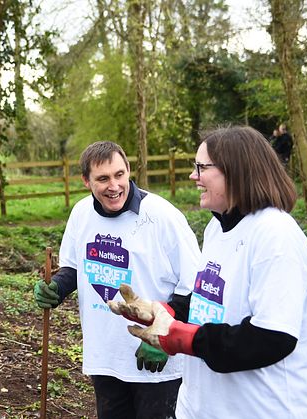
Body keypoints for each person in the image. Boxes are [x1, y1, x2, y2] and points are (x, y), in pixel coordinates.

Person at [109, 125, 307, 418]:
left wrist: (183, 338)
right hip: (202, 408)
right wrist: (165, 313)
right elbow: (210, 303)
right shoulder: (216, 228)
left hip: (265, 409)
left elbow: (273, 338)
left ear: (235, 171)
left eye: (201, 167)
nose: (193, 176)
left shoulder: (276, 236)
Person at [33, 141, 201, 418]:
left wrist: (163, 334)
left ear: (128, 170)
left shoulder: (163, 216)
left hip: (155, 361)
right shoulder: (81, 214)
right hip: (105, 356)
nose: (114, 186)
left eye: (119, 175)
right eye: (103, 179)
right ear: (86, 181)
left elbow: (194, 286)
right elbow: (74, 268)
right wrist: (57, 287)